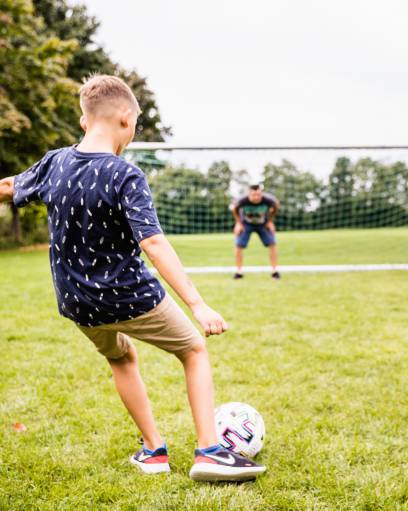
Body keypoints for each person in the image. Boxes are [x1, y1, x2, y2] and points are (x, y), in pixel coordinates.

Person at [0, 75, 265, 482]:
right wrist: (197, 304)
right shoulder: (125, 174)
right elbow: (154, 243)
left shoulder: (54, 163)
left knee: (120, 355)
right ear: (125, 119)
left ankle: (153, 451)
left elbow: (8, 187)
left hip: (77, 304)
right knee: (193, 350)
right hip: (132, 297)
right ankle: (210, 451)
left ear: (85, 121)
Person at [230, 185, 280, 279]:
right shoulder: (242, 200)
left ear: (261, 193)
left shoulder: (268, 200)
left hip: (263, 223)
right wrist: (238, 223)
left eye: (258, 195)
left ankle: (275, 271)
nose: (256, 197)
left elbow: (276, 205)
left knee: (272, 243)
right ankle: (238, 272)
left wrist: (270, 222)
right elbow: (234, 209)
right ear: (249, 194)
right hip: (246, 224)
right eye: (253, 195)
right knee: (238, 245)